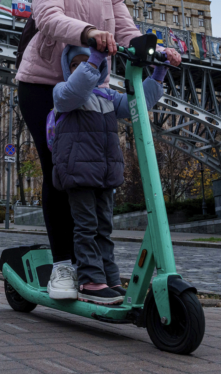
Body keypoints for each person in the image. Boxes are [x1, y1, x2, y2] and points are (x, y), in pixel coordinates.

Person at [15, 0, 181, 300]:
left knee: (95, 179)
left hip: (92, 86)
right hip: (44, 86)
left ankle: (97, 270)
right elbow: (48, 17)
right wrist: (89, 34)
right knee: (60, 170)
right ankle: (62, 269)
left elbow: (127, 32)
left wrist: (156, 52)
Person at [51, 44, 167, 304]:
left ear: (102, 68)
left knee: (104, 228)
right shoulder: (63, 93)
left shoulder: (108, 97)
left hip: (104, 174)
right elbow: (75, 89)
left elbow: (137, 103)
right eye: (75, 64)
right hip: (79, 173)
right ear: (66, 70)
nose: (83, 67)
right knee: (86, 227)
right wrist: (94, 59)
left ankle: (110, 279)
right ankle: (90, 279)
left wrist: (158, 74)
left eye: (89, 63)